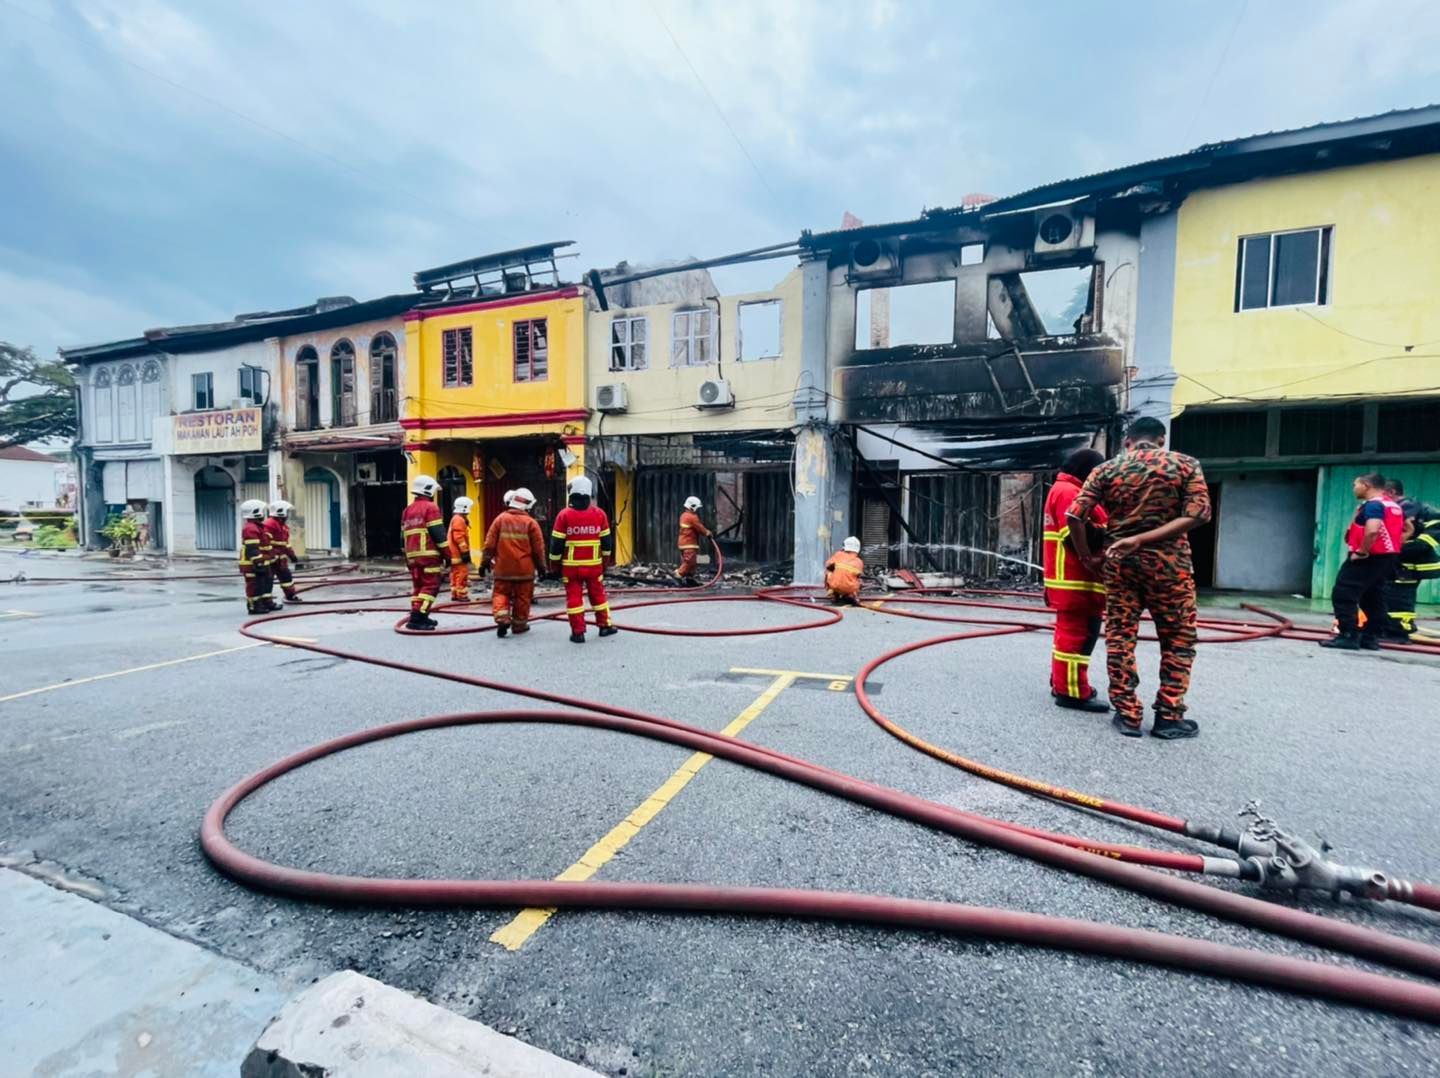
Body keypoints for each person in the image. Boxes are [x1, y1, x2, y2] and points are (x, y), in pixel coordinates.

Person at [1068, 417, 1211, 739]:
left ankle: (1128, 713)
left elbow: (1074, 515)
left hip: (1120, 565)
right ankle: (1169, 716)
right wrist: (1146, 540)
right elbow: (1198, 514)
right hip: (1170, 567)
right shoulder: (1185, 464)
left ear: (1128, 442)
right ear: (1161, 440)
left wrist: (1088, 558)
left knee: (1121, 637)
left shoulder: (1107, 470)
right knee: (1178, 640)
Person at [1043, 448, 1109, 713]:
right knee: (1078, 638)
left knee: (1070, 636)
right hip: (1076, 578)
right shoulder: (1070, 493)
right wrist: (1113, 534)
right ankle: (1072, 692)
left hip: (1070, 579)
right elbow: (1074, 534)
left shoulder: (1063, 490)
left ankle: (1062, 683)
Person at [1321, 473, 1404, 651]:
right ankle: (1370, 637)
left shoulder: (1374, 505)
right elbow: (1404, 530)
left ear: (1366, 485)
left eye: (1355, 485)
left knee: (1344, 593)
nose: (1354, 488)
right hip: (1386, 557)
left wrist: (1362, 551)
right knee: (1373, 595)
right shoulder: (1392, 505)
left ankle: (1348, 635)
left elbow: (1373, 530)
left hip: (1369, 557)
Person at [549, 475, 617, 643]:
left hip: (570, 568)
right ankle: (605, 626)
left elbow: (556, 545)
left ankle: (578, 633)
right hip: (594, 566)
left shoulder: (564, 515)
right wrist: (605, 563)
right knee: (598, 596)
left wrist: (554, 566)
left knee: (574, 598)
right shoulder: (600, 514)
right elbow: (607, 543)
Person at [480, 487, 547, 637]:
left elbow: (489, 545)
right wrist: (542, 568)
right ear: (528, 505)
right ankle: (519, 626)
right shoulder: (531, 523)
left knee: (500, 593)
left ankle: (502, 618)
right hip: (524, 571)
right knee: (523, 598)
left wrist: (483, 564)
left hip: (503, 569)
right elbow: (538, 550)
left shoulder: (499, 519)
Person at [1381, 500, 1439, 641]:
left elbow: (1421, 545)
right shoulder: (1399, 510)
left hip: (1412, 566)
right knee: (1391, 595)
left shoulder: (1430, 518)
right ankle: (1389, 628)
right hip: (1399, 564)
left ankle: (1399, 631)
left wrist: (1393, 550)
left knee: (1402, 598)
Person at [401, 474, 448, 631]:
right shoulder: (431, 508)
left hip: (412, 557)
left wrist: (406, 558)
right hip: (428, 556)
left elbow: (402, 537)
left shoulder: (407, 510)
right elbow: (438, 534)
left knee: (418, 587)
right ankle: (418, 618)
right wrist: (448, 555)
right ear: (429, 491)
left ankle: (422, 614)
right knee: (431, 586)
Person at [238, 499, 276, 616]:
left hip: (257, 562)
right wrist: (258, 562)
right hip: (251, 564)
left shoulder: (257, 526)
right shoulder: (251, 528)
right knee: (253, 585)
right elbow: (252, 549)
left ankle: (260, 604)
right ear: (256, 512)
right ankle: (254, 607)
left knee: (260, 585)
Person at [263, 500, 303, 604]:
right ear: (280, 512)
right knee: (267, 581)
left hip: (280, 559)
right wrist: (272, 555)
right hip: (270, 559)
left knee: (287, 578)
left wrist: (292, 555)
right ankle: (267, 602)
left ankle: (290, 595)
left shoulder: (282, 526)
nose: (287, 516)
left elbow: (285, 544)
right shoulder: (269, 524)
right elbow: (265, 543)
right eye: (286, 513)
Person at [676, 495, 711, 587]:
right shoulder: (691, 517)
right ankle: (678, 575)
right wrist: (707, 532)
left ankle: (689, 579)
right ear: (693, 506)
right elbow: (699, 527)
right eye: (697, 507)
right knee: (690, 561)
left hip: (685, 543)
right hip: (688, 544)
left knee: (693, 561)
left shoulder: (684, 515)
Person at [447, 496, 475, 602]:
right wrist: (465, 552)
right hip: (457, 553)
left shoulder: (456, 518)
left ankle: (454, 593)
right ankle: (461, 595)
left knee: (455, 573)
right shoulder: (459, 519)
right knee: (462, 573)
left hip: (453, 553)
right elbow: (459, 537)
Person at [824, 536, 865, 604]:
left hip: (835, 585)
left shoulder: (838, 555)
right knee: (859, 580)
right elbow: (858, 575)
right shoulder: (859, 561)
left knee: (828, 572)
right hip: (850, 587)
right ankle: (851, 595)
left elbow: (828, 566)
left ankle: (834, 594)